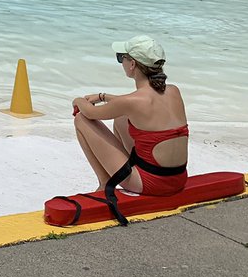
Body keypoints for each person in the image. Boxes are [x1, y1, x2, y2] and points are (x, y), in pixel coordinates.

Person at [72, 36, 188, 202]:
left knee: (81, 120)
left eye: (121, 58)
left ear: (132, 64)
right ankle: (127, 170)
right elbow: (133, 105)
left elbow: (89, 113)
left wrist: (77, 101)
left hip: (151, 185)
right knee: (121, 118)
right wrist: (102, 97)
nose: (121, 62)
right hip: (178, 180)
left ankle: (104, 183)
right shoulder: (173, 91)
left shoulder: (131, 102)